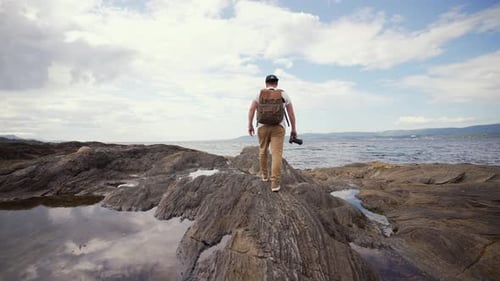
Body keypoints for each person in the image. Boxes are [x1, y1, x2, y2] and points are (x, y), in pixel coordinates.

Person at [248, 74, 297, 192]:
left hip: (262, 127)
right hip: (278, 127)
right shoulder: (283, 94)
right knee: (276, 154)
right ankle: (275, 184)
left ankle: (265, 176)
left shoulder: (259, 94)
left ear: (266, 83)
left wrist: (249, 125)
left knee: (263, 150)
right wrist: (293, 129)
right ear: (276, 83)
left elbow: (251, 110)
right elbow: (291, 114)